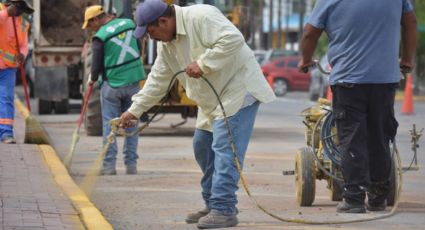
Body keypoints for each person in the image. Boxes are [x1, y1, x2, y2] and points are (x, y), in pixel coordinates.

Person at [119, 0, 275, 228]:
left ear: (163, 21)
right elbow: (158, 80)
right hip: (212, 98)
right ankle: (213, 203)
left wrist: (204, 63)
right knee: (202, 145)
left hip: (238, 88)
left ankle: (223, 208)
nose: (150, 39)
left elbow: (233, 39)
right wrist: (134, 110)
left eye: (151, 32)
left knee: (224, 148)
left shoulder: (201, 16)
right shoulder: (167, 45)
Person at [298, 0, 417, 213]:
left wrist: (305, 60)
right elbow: (410, 21)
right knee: (380, 136)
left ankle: (353, 198)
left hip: (348, 81)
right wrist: (407, 59)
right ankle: (378, 197)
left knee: (352, 137)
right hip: (384, 81)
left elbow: (309, 33)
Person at [82, 5, 146, 175]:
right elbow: (138, 49)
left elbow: (96, 66)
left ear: (96, 19)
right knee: (132, 123)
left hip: (112, 86)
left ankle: (109, 167)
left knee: (109, 125)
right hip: (133, 82)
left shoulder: (100, 37)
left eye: (90, 24)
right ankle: (131, 165)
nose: (90, 28)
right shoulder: (129, 24)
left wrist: (92, 79)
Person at [0, 0, 33, 144]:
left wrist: (23, 55)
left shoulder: (23, 24)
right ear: (10, 4)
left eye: (23, 9)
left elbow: (24, 46)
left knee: (6, 98)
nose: (20, 12)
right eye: (19, 8)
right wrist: (6, 14)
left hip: (8, 67)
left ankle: (6, 132)